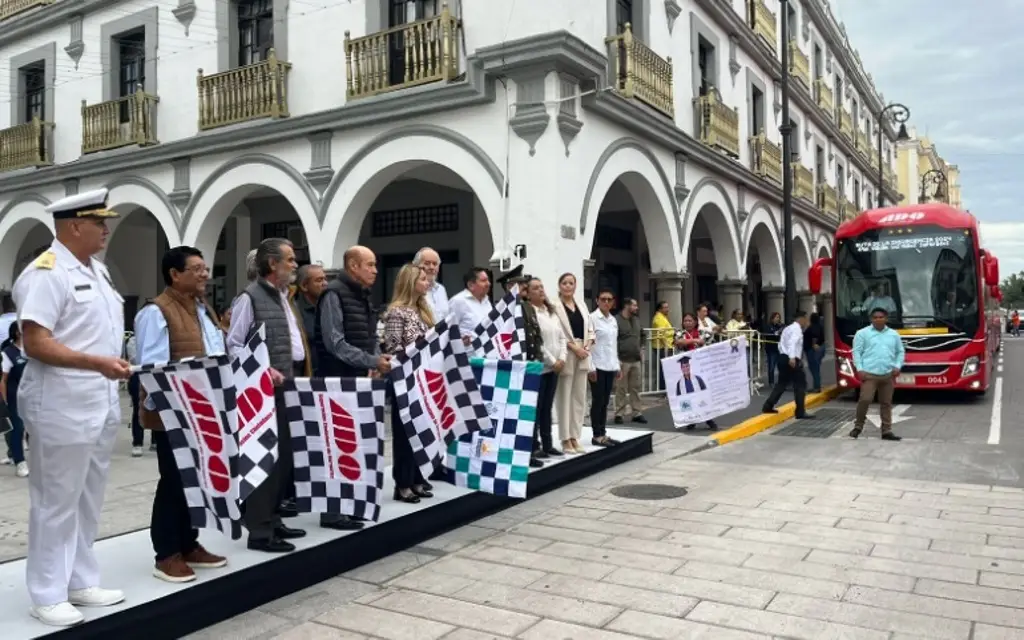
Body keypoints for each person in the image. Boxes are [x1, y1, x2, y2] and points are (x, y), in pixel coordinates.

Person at [13, 188, 132, 627]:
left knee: (88, 497)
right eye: (99, 222)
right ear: (73, 226)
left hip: (97, 398)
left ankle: (80, 579)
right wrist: (95, 362)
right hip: (60, 399)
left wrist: (106, 365)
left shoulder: (97, 271)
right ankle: (46, 592)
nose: (105, 229)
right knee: (54, 500)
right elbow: (36, 342)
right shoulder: (46, 272)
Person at [134, 246, 229, 582]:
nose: (205, 274)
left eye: (206, 268)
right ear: (175, 274)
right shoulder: (156, 312)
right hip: (174, 413)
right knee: (174, 481)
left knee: (196, 479)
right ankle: (167, 553)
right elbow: (152, 367)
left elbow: (216, 352)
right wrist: (163, 411)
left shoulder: (203, 308)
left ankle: (189, 543)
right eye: (197, 269)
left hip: (204, 410)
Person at [226, 238, 308, 552]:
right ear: (272, 264)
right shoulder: (249, 297)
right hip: (262, 391)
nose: (294, 264)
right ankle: (259, 531)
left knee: (283, 457)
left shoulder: (284, 296)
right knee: (264, 459)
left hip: (287, 382)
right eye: (289, 259)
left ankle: (272, 520)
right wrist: (261, 370)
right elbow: (234, 344)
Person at [314, 245, 392, 526]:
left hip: (357, 379)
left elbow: (368, 334)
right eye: (369, 265)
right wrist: (370, 359)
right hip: (336, 380)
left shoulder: (362, 295)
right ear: (353, 266)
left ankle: (350, 503)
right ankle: (332, 511)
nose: (375, 270)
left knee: (355, 444)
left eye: (375, 265)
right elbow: (335, 343)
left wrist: (372, 362)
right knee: (336, 444)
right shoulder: (334, 293)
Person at [383, 264, 444, 500]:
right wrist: (416, 351)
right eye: (422, 279)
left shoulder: (423, 310)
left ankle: (419, 478)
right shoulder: (397, 312)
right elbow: (393, 347)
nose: (427, 283)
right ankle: (402, 483)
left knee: (422, 431)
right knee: (405, 434)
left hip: (425, 381)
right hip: (405, 380)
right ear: (410, 283)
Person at [849, 307, 905, 441]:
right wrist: (860, 369)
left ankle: (886, 431)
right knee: (865, 399)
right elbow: (856, 352)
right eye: (875, 317)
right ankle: (858, 426)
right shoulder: (862, 334)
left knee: (886, 403)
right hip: (869, 374)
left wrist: (897, 366)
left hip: (887, 374)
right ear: (871, 319)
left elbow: (900, 351)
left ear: (886, 319)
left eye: (881, 317)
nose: (878, 319)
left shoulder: (894, 334)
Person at [525, 277, 565, 458]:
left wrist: (562, 358)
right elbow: (536, 342)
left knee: (547, 407)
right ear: (528, 292)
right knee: (537, 407)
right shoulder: (530, 312)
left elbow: (561, 337)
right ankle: (535, 444)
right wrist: (551, 361)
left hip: (555, 366)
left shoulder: (551, 311)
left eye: (541, 287)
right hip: (541, 366)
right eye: (535, 288)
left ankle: (548, 443)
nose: (540, 290)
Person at [553, 273, 593, 454]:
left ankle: (575, 436)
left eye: (571, 283)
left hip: (583, 353)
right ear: (559, 285)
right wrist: (574, 348)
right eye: (564, 283)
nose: (568, 286)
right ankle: (565, 438)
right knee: (565, 396)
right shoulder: (554, 306)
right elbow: (558, 332)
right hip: (567, 352)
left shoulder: (582, 305)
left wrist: (587, 345)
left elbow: (590, 329)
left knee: (579, 397)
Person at [761, 311, 814, 420]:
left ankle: (768, 405)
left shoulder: (787, 328)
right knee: (800, 384)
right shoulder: (796, 329)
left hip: (783, 357)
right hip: (791, 359)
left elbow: (781, 344)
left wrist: (787, 356)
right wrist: (792, 357)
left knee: (782, 384)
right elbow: (792, 343)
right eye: (806, 319)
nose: (806, 322)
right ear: (801, 319)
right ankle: (800, 411)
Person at [587, 289, 621, 448]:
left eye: (609, 299)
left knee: (606, 401)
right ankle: (596, 434)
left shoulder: (613, 320)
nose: (606, 302)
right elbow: (588, 345)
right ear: (597, 301)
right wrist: (590, 368)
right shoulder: (592, 319)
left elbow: (613, 345)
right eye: (603, 299)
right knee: (598, 400)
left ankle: (603, 431)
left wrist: (617, 365)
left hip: (610, 365)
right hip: (597, 366)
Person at [674, 315, 718, 431]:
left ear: (694, 322)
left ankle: (708, 418)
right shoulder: (679, 332)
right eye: (685, 321)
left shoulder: (702, 332)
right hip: (687, 369)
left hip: (700, 368)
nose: (687, 323)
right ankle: (691, 419)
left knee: (702, 393)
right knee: (689, 394)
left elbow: (705, 341)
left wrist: (699, 340)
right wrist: (694, 340)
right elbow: (679, 342)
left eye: (690, 321)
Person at [613, 297, 646, 425]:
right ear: (627, 306)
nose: (636, 308)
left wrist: (642, 348)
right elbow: (613, 339)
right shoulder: (616, 320)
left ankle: (637, 412)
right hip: (623, 359)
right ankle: (619, 413)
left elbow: (643, 334)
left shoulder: (636, 320)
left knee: (635, 387)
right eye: (634, 305)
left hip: (636, 359)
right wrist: (616, 358)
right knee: (621, 388)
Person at [1, 322, 28, 477]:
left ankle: (13, 454)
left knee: (34, 429)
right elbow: (3, 380)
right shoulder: (8, 353)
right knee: (17, 428)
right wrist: (4, 402)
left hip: (31, 396)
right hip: (14, 397)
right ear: (17, 333)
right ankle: (20, 462)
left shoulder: (32, 350)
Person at [291, 264, 328, 373]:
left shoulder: (330, 308)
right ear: (304, 286)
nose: (325, 283)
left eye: (325, 279)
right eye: (319, 280)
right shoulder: (295, 313)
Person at [448, 267, 493, 351]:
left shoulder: (487, 301)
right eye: (484, 281)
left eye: (488, 280)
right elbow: (447, 330)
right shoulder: (458, 301)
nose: (488, 284)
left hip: (487, 355)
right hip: (467, 358)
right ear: (471, 285)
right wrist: (460, 340)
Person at [414, 247, 449, 322]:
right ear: (416, 266)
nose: (431, 267)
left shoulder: (441, 289)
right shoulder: (413, 289)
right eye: (427, 263)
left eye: (435, 264)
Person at [650, 301, 674, 392]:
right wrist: (666, 346)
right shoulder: (659, 318)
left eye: (667, 307)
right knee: (664, 367)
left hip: (666, 346)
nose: (667, 309)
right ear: (660, 309)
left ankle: (662, 386)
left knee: (664, 367)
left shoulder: (663, 317)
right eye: (665, 307)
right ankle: (662, 388)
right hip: (662, 347)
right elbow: (661, 333)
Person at [804, 312, 826, 393]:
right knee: (816, 368)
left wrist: (814, 344)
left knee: (814, 368)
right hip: (818, 350)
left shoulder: (813, 327)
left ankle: (817, 387)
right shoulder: (820, 326)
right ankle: (816, 385)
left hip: (812, 350)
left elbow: (814, 336)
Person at [760, 311, 784, 386]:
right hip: (771, 349)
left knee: (781, 366)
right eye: (776, 317)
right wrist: (775, 332)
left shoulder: (780, 325)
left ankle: (782, 382)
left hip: (779, 348)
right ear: (772, 318)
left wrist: (780, 330)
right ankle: (771, 382)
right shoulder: (768, 326)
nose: (777, 319)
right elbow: (768, 333)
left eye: (778, 317)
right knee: (771, 366)